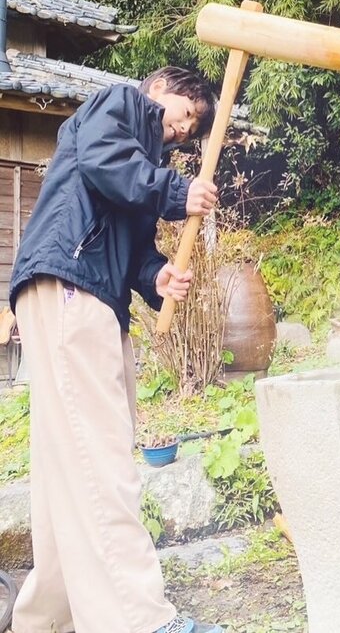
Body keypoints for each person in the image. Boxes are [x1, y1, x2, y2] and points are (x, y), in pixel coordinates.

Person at [9, 67, 224, 633]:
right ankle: (137, 620)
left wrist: (155, 278)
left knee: (70, 462)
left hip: (86, 291)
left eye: (195, 128)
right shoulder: (122, 104)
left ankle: (46, 619)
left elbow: (130, 246)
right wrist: (179, 192)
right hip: (70, 286)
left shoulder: (143, 164)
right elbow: (108, 165)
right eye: (186, 114)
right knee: (100, 458)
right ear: (159, 89)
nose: (184, 131)